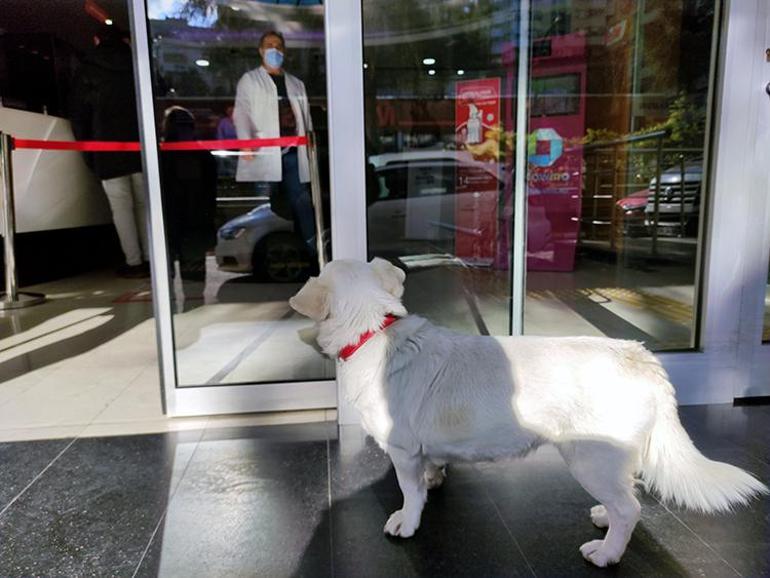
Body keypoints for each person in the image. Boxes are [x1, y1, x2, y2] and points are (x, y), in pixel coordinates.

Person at [70, 26, 149, 278]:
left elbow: (79, 115)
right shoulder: (138, 66)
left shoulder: (87, 70)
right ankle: (151, 258)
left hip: (107, 150)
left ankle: (134, 261)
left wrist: (88, 153)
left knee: (121, 209)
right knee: (143, 206)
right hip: (140, 149)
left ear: (96, 40)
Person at [232, 30, 317, 257]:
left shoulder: (296, 84)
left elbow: (305, 118)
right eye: (269, 45)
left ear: (284, 51)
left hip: (292, 153)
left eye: (278, 45)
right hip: (263, 153)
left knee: (302, 202)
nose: (274, 49)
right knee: (264, 207)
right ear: (261, 50)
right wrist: (245, 144)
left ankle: (311, 249)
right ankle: (267, 253)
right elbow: (242, 113)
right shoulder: (250, 80)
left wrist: (309, 145)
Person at [160, 106, 217, 310]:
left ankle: (169, 310)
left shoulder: (158, 157)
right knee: (194, 280)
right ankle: (193, 310)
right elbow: (211, 195)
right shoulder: (204, 156)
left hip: (167, 222)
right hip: (196, 223)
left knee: (164, 275)